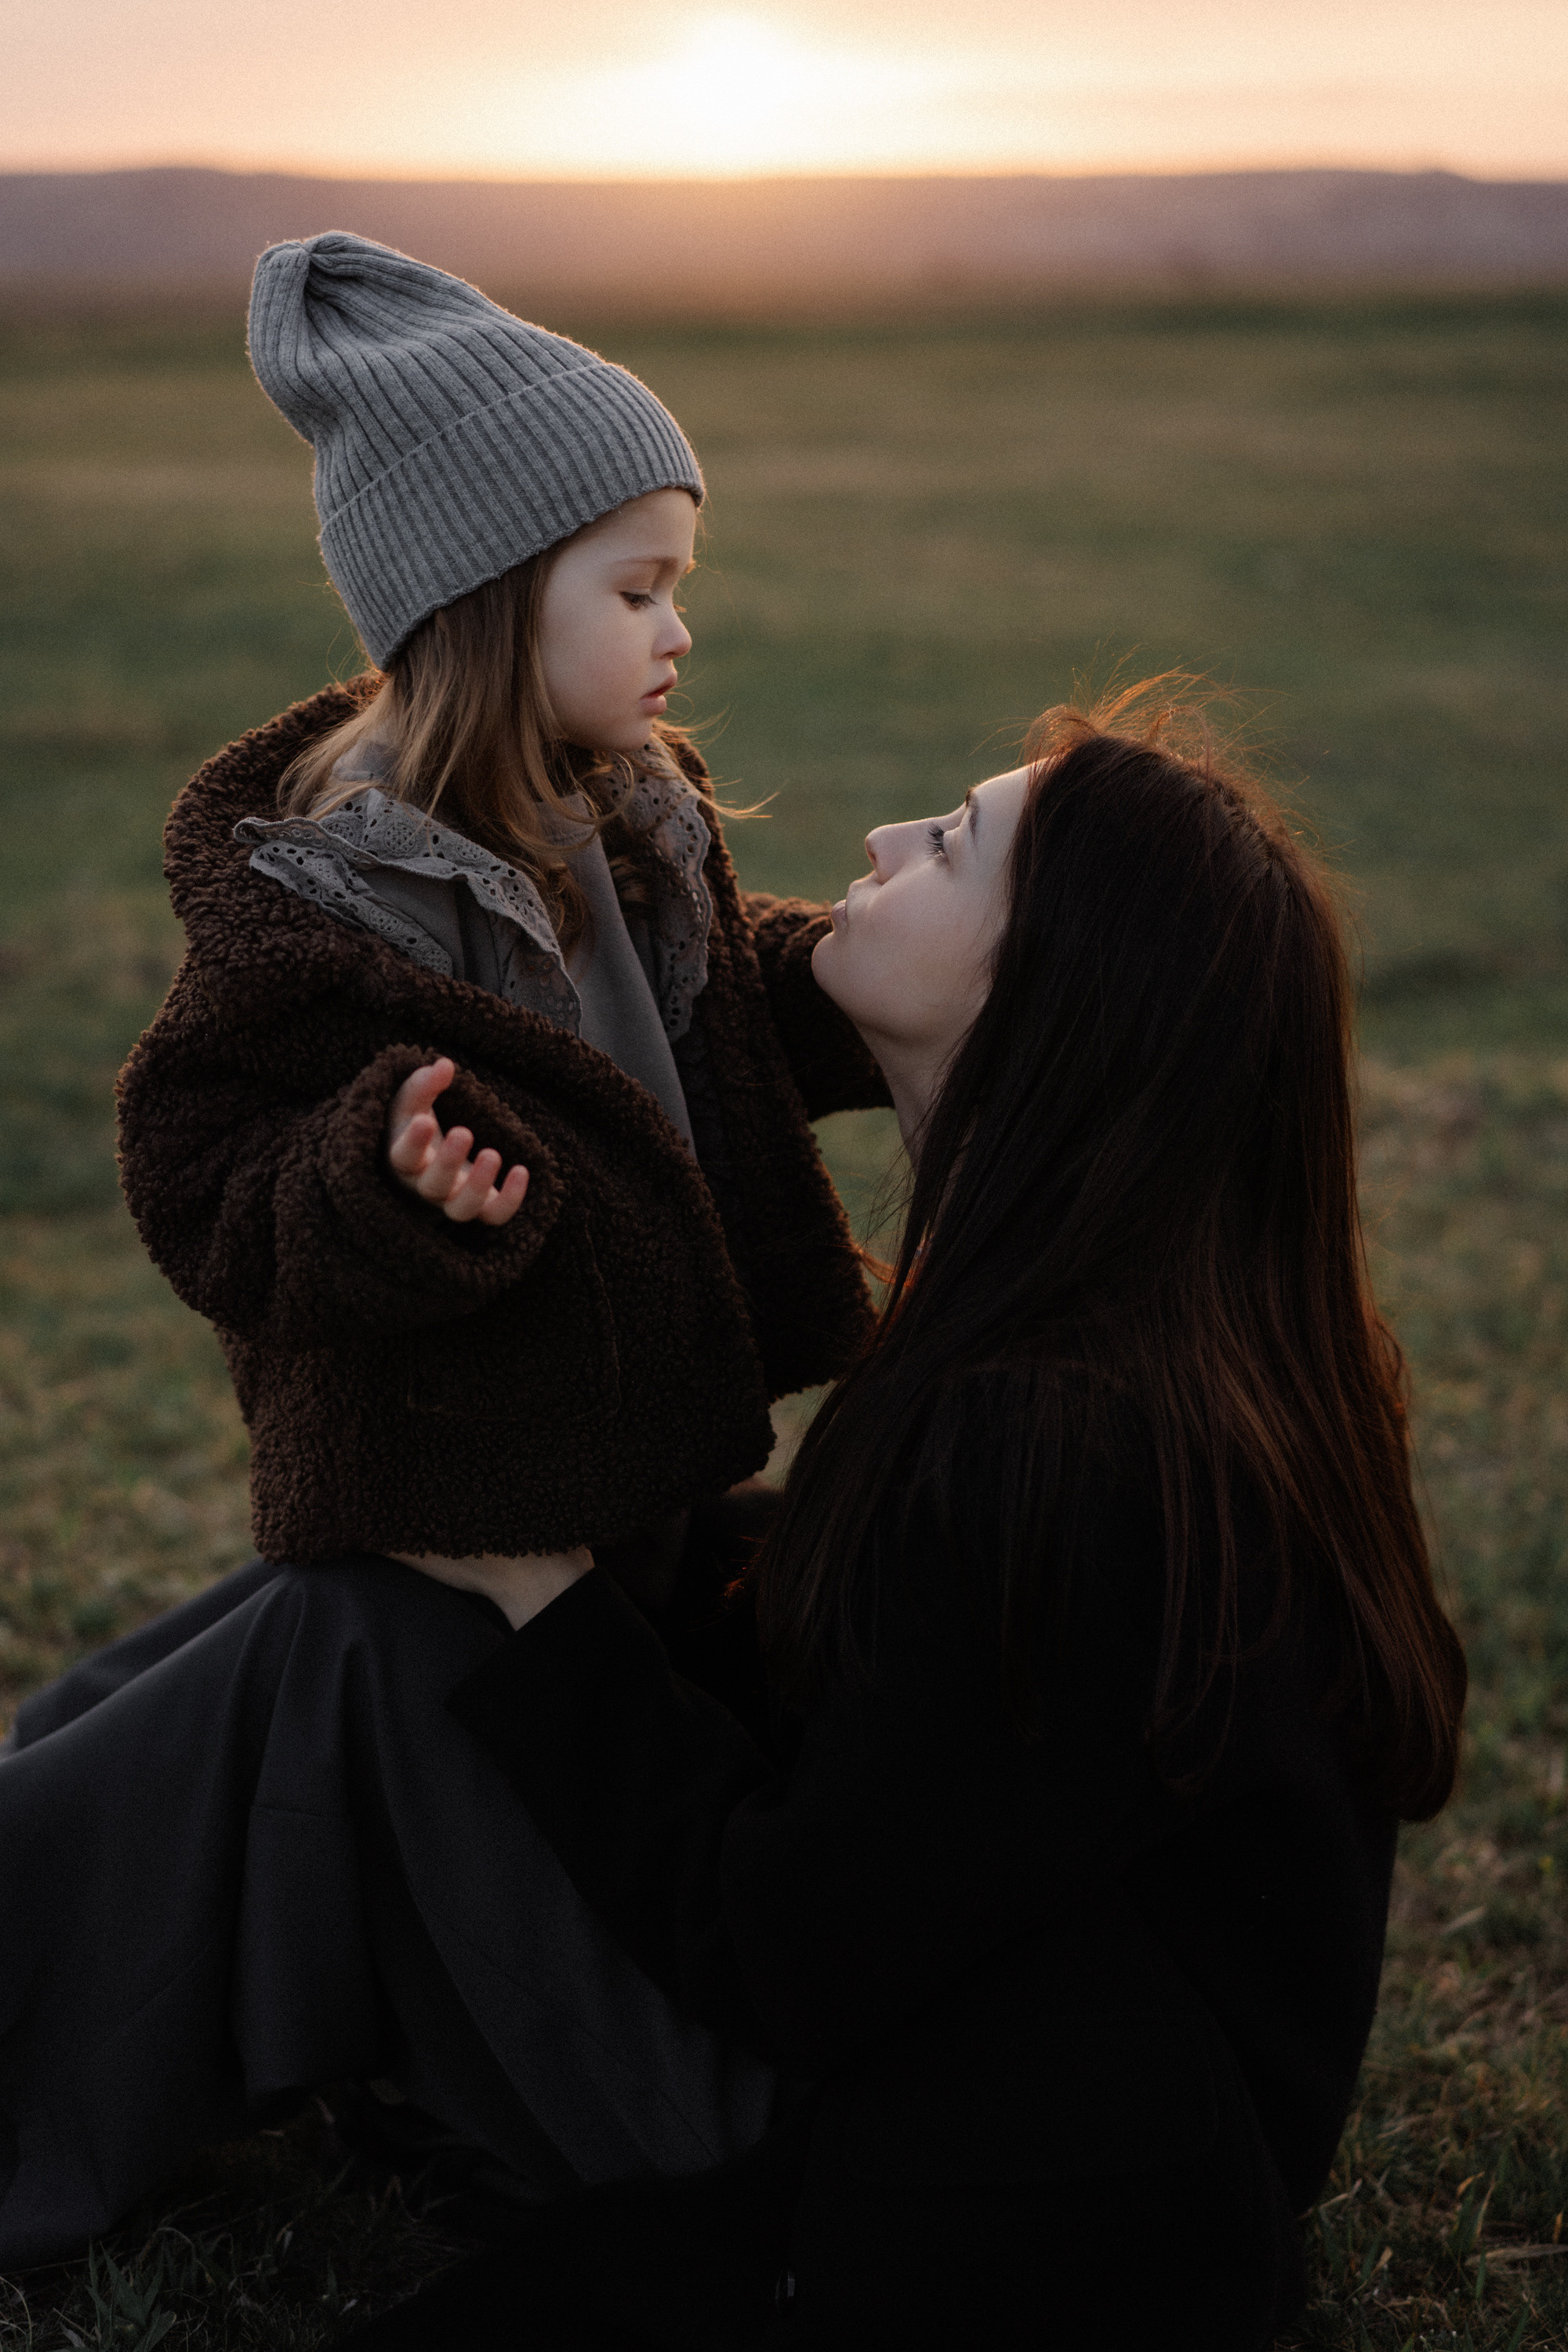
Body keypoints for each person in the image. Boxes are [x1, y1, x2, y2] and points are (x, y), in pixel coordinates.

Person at [342, 684, 1469, 2350]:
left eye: (950, 843)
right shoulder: (1150, 1348)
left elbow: (789, 1952)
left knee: (371, 1631)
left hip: (987, 2181)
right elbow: (906, 1716)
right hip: (1057, 2100)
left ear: (1052, 994)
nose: (879, 838)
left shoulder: (1063, 1447)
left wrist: (544, 1605)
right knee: (350, 1613)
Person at [0, 231, 887, 2265]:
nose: (680, 632)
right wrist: (376, 1192)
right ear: (486, 595)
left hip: (634, 1467)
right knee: (388, 1711)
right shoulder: (334, 894)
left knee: (560, 1741)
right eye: (637, 589)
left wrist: (853, 989)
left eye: (679, 584)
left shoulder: (633, 819)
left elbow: (710, 1022)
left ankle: (369, 1980)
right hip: (453, 1485)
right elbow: (200, 1167)